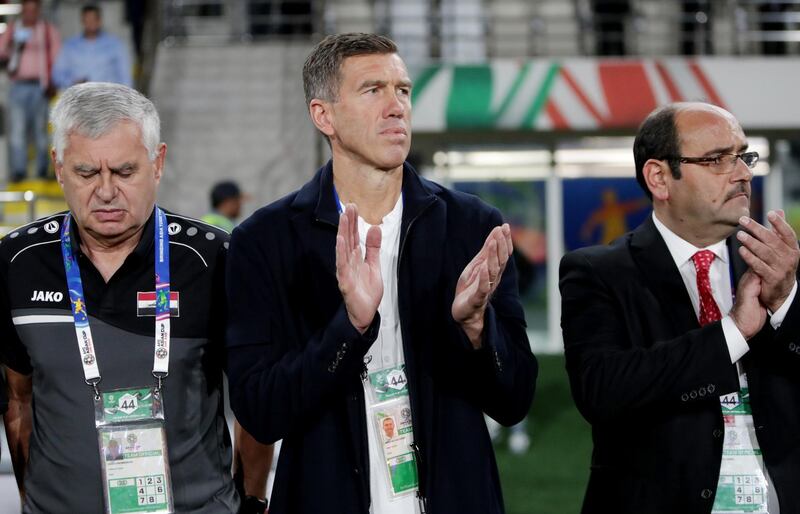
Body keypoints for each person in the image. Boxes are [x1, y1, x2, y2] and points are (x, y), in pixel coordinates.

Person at [226, 33, 538, 514]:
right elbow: (261, 412)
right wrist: (348, 328)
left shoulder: (473, 226)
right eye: (373, 90)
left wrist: (476, 328)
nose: (396, 107)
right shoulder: (265, 240)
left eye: (404, 91)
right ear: (323, 115)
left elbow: (514, 399)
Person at [0, 82, 271, 514]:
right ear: (58, 167)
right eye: (86, 173)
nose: (106, 192)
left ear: (157, 162)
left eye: (125, 172)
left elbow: (254, 401)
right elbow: (18, 398)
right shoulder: (17, 262)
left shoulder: (214, 259)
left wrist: (252, 500)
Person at [560, 102, 800, 513]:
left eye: (743, 155)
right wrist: (733, 333)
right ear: (659, 177)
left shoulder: (778, 264)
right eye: (717, 160)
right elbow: (602, 390)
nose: (743, 172)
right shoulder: (599, 272)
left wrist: (784, 304)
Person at [0, 0, 60, 182]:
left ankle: (42, 170)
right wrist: (12, 42)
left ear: (38, 11)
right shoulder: (13, 28)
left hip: (40, 87)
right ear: (22, 11)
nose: (30, 14)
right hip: (17, 86)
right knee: (17, 131)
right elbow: (1, 52)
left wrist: (53, 82)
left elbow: (57, 56)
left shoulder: (48, 30)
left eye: (33, 11)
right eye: (26, 11)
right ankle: (19, 171)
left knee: (41, 131)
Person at [52, 4, 133, 91]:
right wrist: (73, 82)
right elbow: (57, 75)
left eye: (93, 19)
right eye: (87, 20)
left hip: (107, 99)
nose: (91, 23)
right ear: (82, 21)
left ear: (100, 21)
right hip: (78, 98)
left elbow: (125, 78)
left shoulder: (115, 45)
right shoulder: (70, 46)